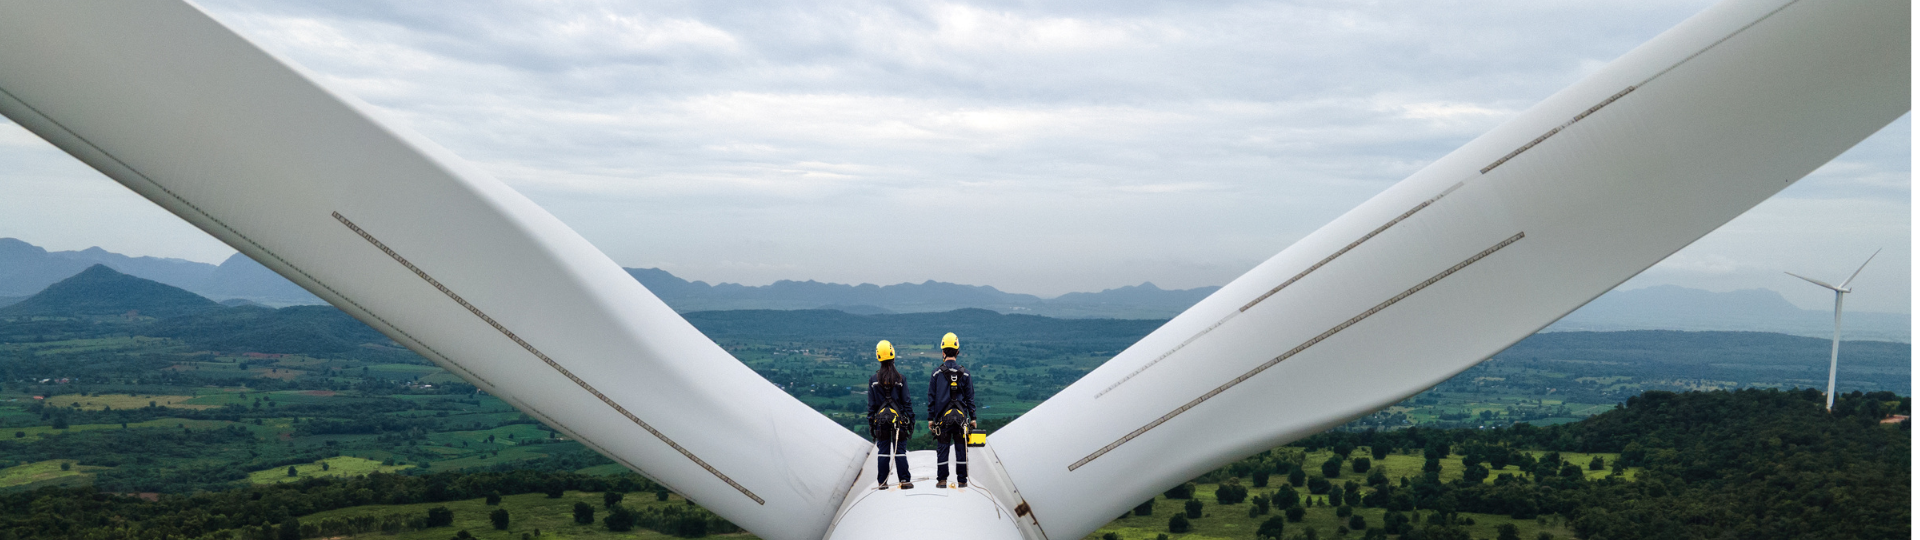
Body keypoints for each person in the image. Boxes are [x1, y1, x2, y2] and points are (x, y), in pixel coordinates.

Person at [926, 332, 975, 488]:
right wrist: (973, 418)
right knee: (961, 449)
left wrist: (930, 419)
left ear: (943, 352)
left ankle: (942, 480)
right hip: (961, 419)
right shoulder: (965, 373)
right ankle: (962, 480)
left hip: (943, 419)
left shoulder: (936, 373)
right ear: (957, 352)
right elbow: (970, 398)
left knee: (943, 449)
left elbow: (931, 398)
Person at [867, 340, 913, 489]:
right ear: (893, 355)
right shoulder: (900, 379)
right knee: (899, 450)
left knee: (883, 451)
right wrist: (911, 421)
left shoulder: (874, 381)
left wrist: (871, 425)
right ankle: (904, 480)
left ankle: (882, 482)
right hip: (897, 421)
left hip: (881, 422)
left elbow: (871, 406)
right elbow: (906, 402)